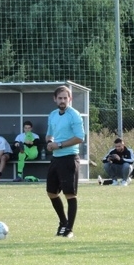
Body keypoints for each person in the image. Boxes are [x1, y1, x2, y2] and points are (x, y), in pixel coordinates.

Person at [45, 85, 85, 238]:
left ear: (70, 99)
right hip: (56, 158)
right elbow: (49, 134)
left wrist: (60, 145)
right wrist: (50, 142)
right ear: (55, 99)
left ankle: (69, 229)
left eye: (65, 98)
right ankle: (63, 222)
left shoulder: (74, 115)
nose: (62, 101)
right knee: (51, 192)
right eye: (60, 98)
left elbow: (80, 137)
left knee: (70, 194)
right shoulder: (53, 115)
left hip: (69, 158)